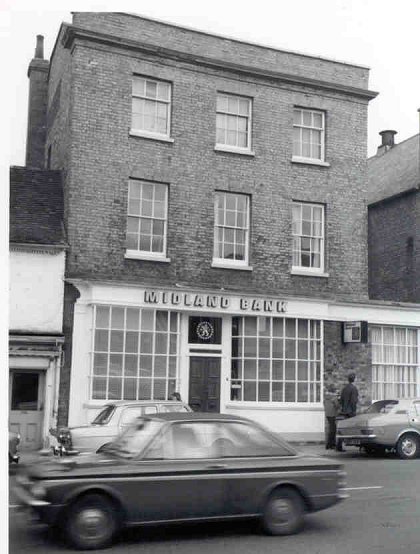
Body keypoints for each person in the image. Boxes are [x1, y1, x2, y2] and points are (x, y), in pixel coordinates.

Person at [336, 372, 359, 452]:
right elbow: (353, 401)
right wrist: (354, 411)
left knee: (342, 429)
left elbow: (341, 400)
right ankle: (352, 443)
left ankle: (339, 446)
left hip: (344, 411)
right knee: (351, 428)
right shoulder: (354, 388)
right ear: (354, 380)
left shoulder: (345, 388)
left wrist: (344, 408)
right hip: (350, 412)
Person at [323, 385, 340, 450]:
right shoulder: (334, 397)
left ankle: (329, 445)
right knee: (333, 430)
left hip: (327, 414)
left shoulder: (326, 397)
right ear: (333, 390)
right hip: (332, 414)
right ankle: (330, 445)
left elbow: (324, 403)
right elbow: (337, 405)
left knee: (330, 429)